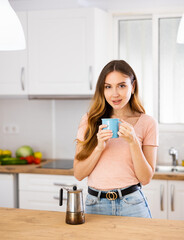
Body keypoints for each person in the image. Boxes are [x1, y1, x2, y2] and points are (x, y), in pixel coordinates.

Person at [74, 60, 158, 218]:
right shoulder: (89, 121)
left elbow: (145, 178)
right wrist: (99, 147)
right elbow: (78, 173)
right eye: (108, 86)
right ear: (102, 89)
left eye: (121, 85)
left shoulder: (147, 123)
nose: (115, 94)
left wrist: (133, 142)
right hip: (95, 204)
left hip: (132, 204)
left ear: (132, 87)